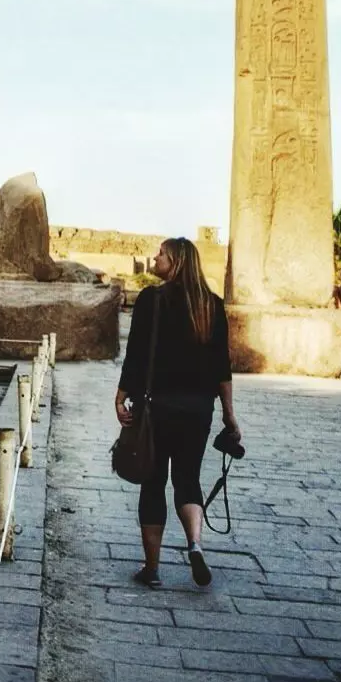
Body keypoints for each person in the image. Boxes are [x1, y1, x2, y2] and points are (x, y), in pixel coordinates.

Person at [114, 237, 239, 587]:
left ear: (176, 262)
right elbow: (222, 369)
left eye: (161, 255)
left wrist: (122, 395)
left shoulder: (152, 300)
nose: (155, 259)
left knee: (152, 484)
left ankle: (152, 569)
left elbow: (136, 355)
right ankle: (195, 545)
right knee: (188, 480)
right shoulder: (211, 305)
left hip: (157, 409)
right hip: (198, 412)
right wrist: (229, 416)